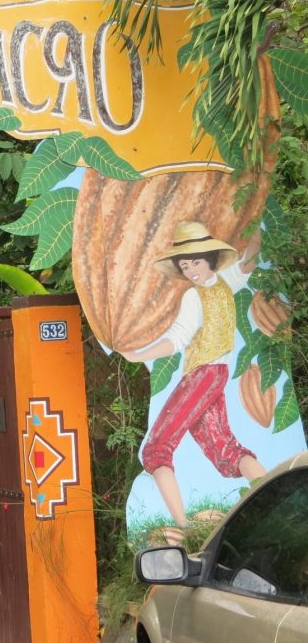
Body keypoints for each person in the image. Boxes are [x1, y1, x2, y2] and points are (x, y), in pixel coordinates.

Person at [120, 221, 267, 528]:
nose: (192, 271)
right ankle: (275, 498)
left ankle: (184, 525)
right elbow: (251, 256)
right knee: (225, 450)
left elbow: (177, 339)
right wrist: (254, 215)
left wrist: (137, 354)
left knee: (156, 449)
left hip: (202, 375)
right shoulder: (228, 280)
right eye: (185, 266)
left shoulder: (195, 296)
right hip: (217, 373)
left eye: (196, 262)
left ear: (211, 259)